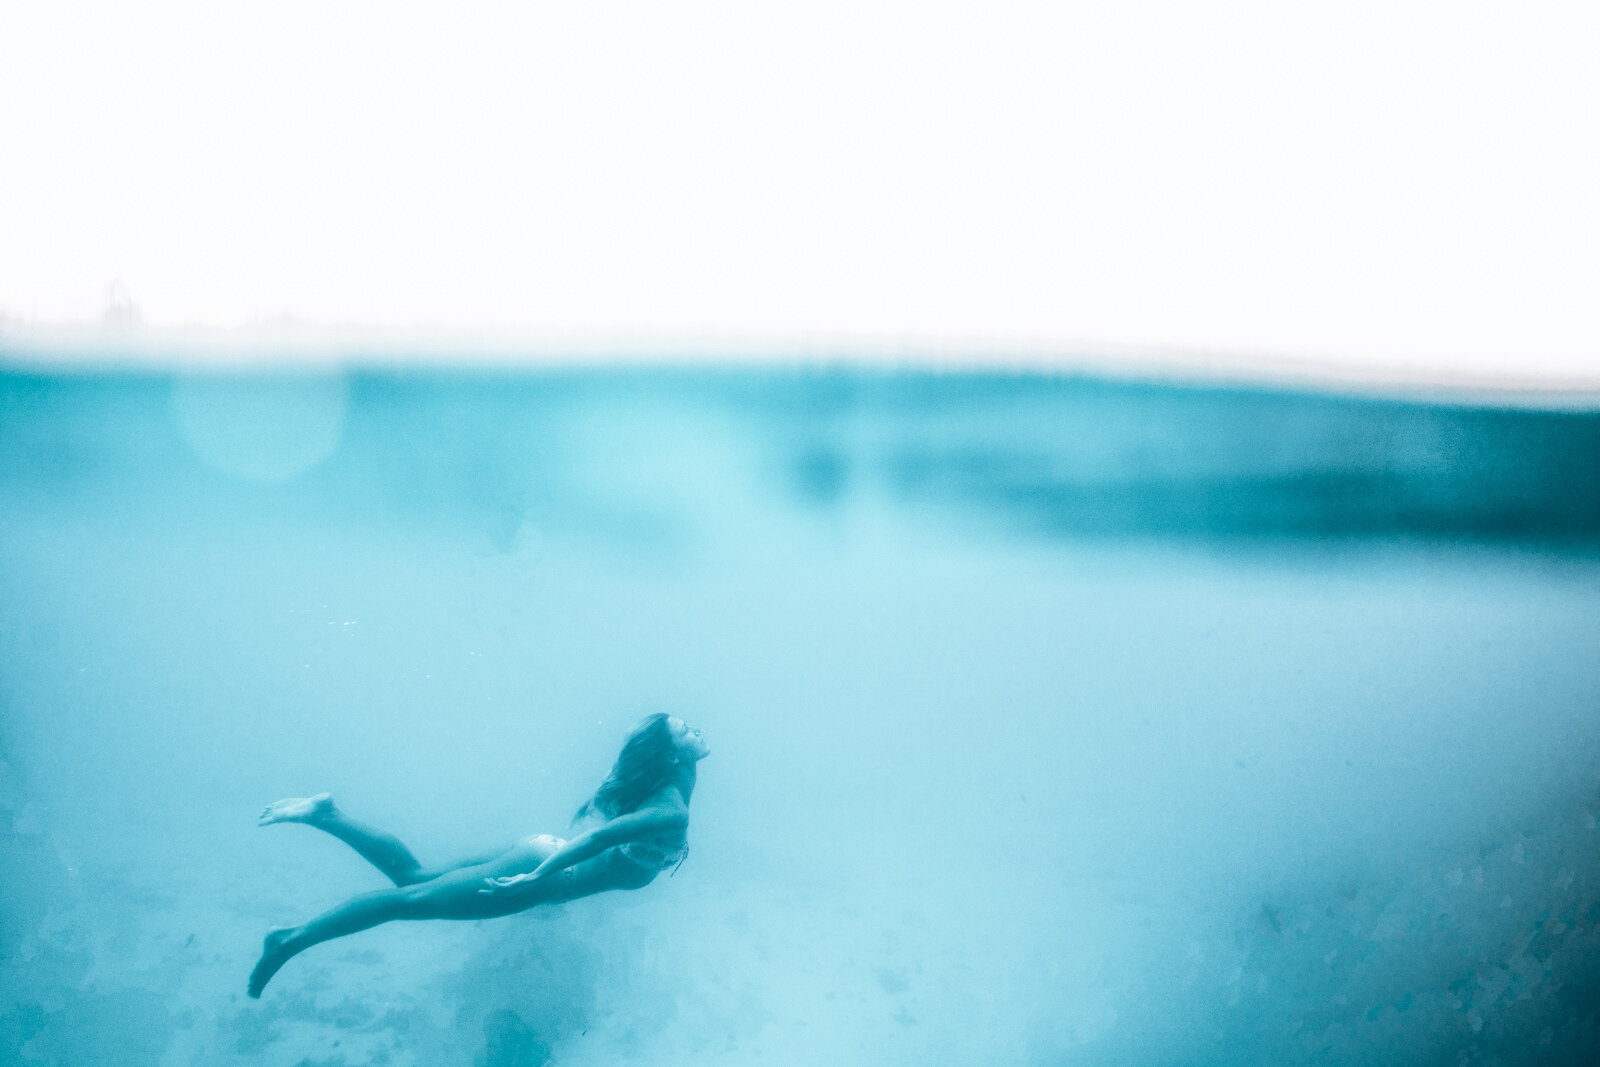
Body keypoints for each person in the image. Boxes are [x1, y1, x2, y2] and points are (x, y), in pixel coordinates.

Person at [247, 713, 709, 998]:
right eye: (685, 729)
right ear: (668, 757)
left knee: (414, 877)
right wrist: (536, 880)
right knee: (405, 903)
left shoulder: (682, 768)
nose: (698, 728)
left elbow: (636, 746)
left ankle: (326, 814)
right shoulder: (670, 812)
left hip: (543, 855)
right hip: (548, 873)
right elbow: (596, 842)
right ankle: (289, 940)